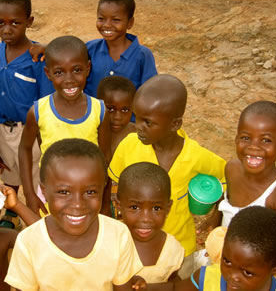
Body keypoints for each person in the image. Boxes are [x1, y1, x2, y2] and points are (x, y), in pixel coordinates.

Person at [108, 74, 226, 278]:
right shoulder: (128, 146)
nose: (138, 127)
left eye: (148, 123)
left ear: (174, 124)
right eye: (137, 118)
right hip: (134, 243)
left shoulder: (196, 156)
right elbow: (114, 182)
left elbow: (226, 177)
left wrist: (216, 214)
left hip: (181, 247)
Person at [6, 138, 143, 290]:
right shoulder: (28, 242)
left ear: (103, 189)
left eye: (90, 192)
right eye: (64, 192)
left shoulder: (118, 235)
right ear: (44, 191)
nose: (78, 204)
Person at [201, 101, 276, 267]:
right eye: (245, 138)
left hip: (248, 271)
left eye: (266, 140)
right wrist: (214, 221)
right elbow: (227, 198)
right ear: (236, 138)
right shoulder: (232, 168)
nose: (253, 147)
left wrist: (245, 251)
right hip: (220, 258)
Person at [0, 0, 54, 228]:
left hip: (30, 131)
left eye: (15, 22)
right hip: (3, 126)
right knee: (8, 170)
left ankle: (37, 215)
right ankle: (12, 213)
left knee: (35, 174)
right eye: (0, 23)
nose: (7, 29)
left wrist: (43, 136)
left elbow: (45, 99)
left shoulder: (37, 57)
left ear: (29, 21)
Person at [19, 35, 110, 215]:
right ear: (48, 73)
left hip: (88, 195)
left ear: (88, 68)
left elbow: (105, 158)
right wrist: (29, 193)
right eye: (59, 72)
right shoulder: (38, 111)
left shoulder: (99, 111)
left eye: (76, 70)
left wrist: (105, 203)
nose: (69, 79)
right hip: (51, 195)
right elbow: (24, 149)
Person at [133, 206, 276, 291]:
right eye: (227, 261)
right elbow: (175, 289)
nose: (232, 276)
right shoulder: (207, 277)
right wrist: (146, 287)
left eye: (247, 273)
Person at [116, 162, 184, 283]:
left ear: (168, 208)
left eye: (156, 208)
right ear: (119, 206)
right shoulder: (108, 241)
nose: (146, 218)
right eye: (134, 207)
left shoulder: (172, 249)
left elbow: (172, 282)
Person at [84, 0, 157, 98]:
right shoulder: (89, 49)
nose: (107, 24)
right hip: (95, 114)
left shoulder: (143, 55)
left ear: (130, 23)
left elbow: (150, 93)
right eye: (101, 18)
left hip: (129, 115)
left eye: (116, 20)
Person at [97, 75, 136, 157]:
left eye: (125, 110)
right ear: (98, 104)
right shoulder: (91, 132)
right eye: (110, 109)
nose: (117, 117)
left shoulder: (138, 135)